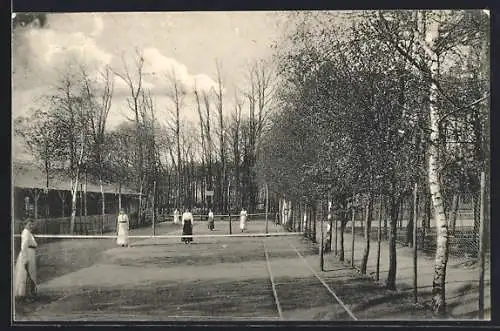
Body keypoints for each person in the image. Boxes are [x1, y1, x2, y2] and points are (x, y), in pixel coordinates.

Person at [14, 219, 38, 302]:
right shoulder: (25, 232)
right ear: (25, 224)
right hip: (27, 254)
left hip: (30, 253)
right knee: (27, 274)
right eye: (29, 224)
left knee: (29, 274)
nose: (31, 226)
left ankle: (29, 294)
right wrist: (25, 259)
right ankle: (26, 295)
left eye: (32, 224)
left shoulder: (28, 232)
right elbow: (23, 246)